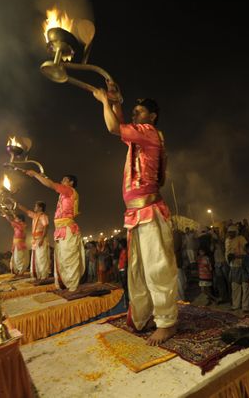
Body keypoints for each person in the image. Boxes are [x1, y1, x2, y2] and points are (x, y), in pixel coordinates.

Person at [93, 87, 178, 345]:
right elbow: (121, 125)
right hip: (136, 214)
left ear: (153, 116)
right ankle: (147, 316)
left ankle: (167, 322)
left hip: (149, 211)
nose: (135, 113)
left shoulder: (149, 133)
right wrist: (114, 101)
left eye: (139, 111)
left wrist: (103, 103)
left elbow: (113, 127)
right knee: (138, 270)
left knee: (156, 268)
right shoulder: (138, 138)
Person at [24, 170, 85, 291]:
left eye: (65, 180)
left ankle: (73, 287)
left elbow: (51, 184)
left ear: (71, 183)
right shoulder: (63, 195)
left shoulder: (69, 191)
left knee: (69, 258)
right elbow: (51, 183)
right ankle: (67, 285)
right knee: (62, 258)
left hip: (67, 229)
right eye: (62, 180)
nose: (62, 181)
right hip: (60, 230)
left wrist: (36, 175)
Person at [18, 201, 50, 280]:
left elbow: (46, 227)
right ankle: (39, 276)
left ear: (40, 208)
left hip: (41, 239)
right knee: (36, 259)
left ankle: (44, 276)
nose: (34, 207)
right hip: (35, 240)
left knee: (42, 258)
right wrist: (16, 203)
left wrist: (42, 239)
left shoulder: (43, 216)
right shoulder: (35, 216)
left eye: (36, 206)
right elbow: (26, 211)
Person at [226, 225, 249, 312]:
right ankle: (236, 305)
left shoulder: (241, 238)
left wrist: (240, 256)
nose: (230, 234)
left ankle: (245, 306)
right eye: (229, 232)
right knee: (235, 286)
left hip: (243, 265)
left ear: (235, 232)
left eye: (231, 232)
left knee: (245, 286)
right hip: (234, 266)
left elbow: (248, 250)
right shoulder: (227, 241)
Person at [211, 227, 230, 303]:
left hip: (223, 262)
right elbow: (211, 249)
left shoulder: (222, 240)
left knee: (227, 280)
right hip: (217, 263)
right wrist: (213, 242)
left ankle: (230, 296)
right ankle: (223, 297)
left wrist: (218, 240)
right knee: (220, 281)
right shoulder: (213, 242)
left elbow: (223, 249)